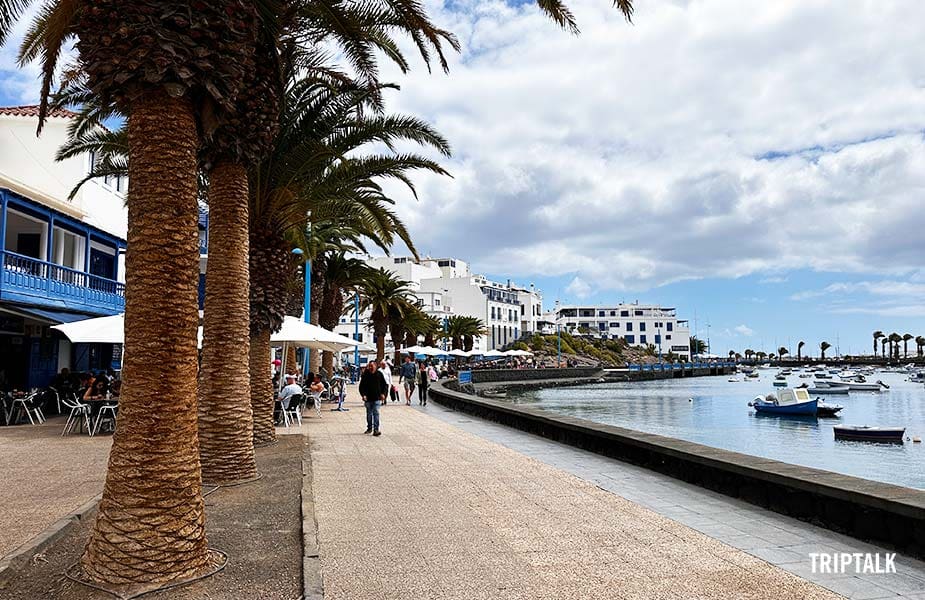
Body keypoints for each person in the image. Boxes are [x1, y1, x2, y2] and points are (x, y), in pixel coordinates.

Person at [359, 361, 387, 436]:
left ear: (375, 366)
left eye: (372, 366)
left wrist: (383, 394)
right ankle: (369, 428)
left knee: (376, 413)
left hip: (377, 397)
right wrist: (363, 395)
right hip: (368, 398)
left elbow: (384, 385)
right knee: (369, 414)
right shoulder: (365, 375)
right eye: (369, 366)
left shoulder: (379, 374)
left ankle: (376, 429)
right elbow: (361, 386)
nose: (371, 367)